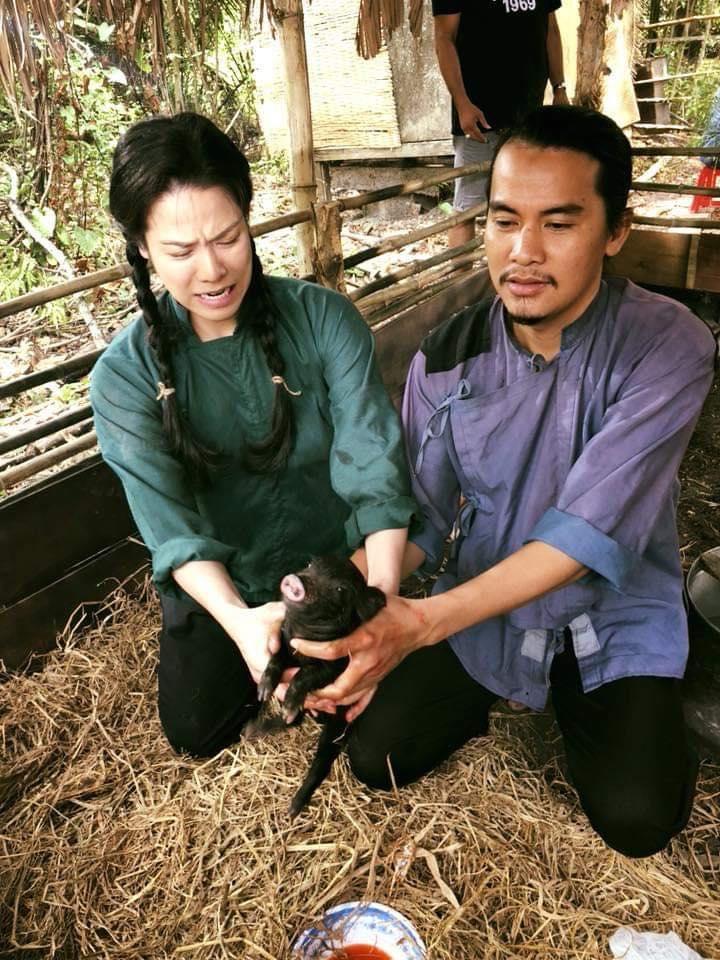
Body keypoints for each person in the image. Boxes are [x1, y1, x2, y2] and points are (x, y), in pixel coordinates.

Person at [292, 105, 717, 858]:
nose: (523, 252)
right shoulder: (446, 355)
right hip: (482, 610)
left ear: (616, 231)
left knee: (639, 818)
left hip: (609, 616)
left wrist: (419, 624)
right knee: (374, 758)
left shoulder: (667, 346)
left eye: (559, 223)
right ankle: (511, 686)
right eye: (503, 220)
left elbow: (586, 537)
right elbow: (421, 515)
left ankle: (633, 694)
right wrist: (339, 603)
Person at [90, 112, 416, 757]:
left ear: (248, 217)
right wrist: (241, 624)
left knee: (370, 730)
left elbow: (375, 468)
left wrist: (382, 612)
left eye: (228, 237)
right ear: (143, 248)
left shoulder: (323, 318)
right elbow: (172, 530)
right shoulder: (124, 377)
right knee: (198, 730)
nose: (211, 270)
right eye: (180, 252)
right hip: (229, 577)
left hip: (334, 565)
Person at [433, 0, 569, 248]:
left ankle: (512, 275)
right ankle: (462, 284)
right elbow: (444, 38)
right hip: (479, 114)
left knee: (524, 203)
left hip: (530, 112)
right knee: (467, 209)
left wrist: (559, 88)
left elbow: (551, 29)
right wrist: (462, 103)